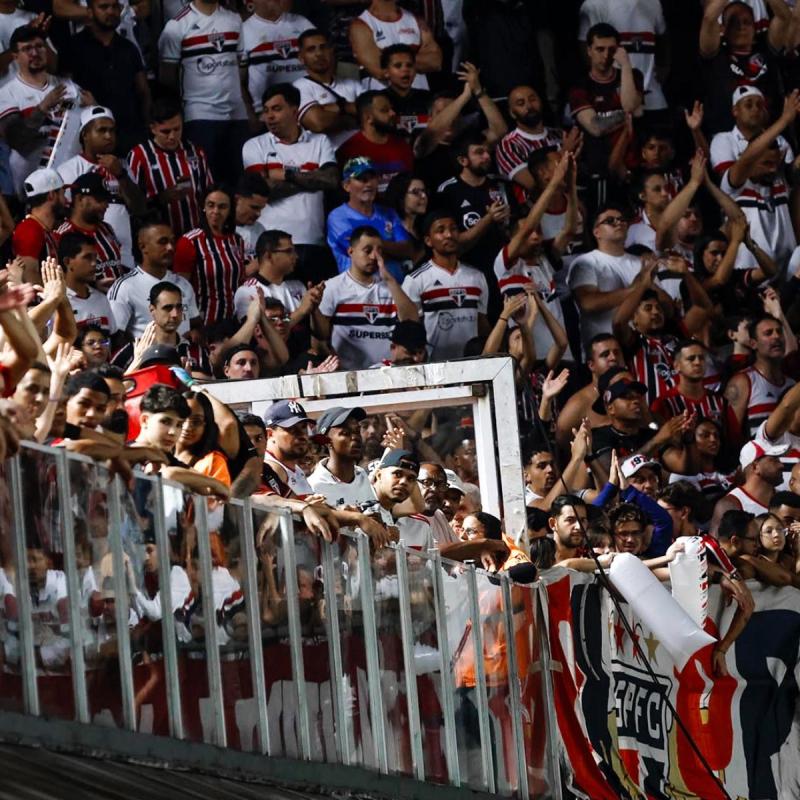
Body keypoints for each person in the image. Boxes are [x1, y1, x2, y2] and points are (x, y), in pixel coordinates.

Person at [242, 83, 338, 282]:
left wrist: (287, 175)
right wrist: (312, 178)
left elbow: (331, 180)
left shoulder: (320, 141)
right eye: (266, 110)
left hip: (313, 243)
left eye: (276, 109)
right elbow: (265, 189)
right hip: (273, 248)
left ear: (295, 111)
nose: (269, 116)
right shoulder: (254, 146)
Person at [157, 0, 252, 185]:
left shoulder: (234, 20)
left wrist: (246, 107)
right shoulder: (176, 25)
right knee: (206, 181)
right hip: (200, 114)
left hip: (236, 115)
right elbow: (167, 76)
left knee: (240, 181)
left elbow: (240, 68)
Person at [493, 149, 575, 360]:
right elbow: (527, 226)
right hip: (528, 358)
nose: (536, 235)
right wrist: (555, 182)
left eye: (539, 230)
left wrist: (571, 187)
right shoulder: (505, 265)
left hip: (561, 355)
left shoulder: (545, 260)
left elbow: (569, 230)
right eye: (530, 233)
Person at [0, 25, 89, 194]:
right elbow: (15, 139)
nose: (35, 53)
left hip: (72, 179)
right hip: (33, 187)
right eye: (27, 49)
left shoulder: (69, 86)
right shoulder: (7, 93)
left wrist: (94, 106)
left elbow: (90, 127)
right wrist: (42, 109)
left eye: (40, 46)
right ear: (15, 56)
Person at [719, 91, 800, 274]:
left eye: (774, 163)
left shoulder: (780, 180)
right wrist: (784, 121)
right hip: (749, 275)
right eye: (766, 163)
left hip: (786, 275)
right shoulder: (734, 184)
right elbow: (748, 158)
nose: (772, 169)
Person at [57, 105, 145, 270]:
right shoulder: (68, 169)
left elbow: (139, 208)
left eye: (112, 131)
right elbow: (64, 216)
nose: (108, 136)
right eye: (102, 130)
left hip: (123, 256)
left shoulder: (122, 166)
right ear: (85, 135)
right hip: (87, 257)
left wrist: (120, 174)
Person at [318, 225, 417, 369]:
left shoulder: (391, 287)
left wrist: (389, 279)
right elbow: (319, 339)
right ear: (351, 251)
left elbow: (412, 322)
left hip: (386, 377)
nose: (374, 256)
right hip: (347, 376)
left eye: (379, 251)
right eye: (368, 250)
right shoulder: (332, 288)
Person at [60, 0, 150, 153]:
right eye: (104, 7)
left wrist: (147, 127)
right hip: (91, 138)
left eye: (115, 7)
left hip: (130, 136)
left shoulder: (128, 48)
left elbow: (143, 91)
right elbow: (65, 93)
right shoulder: (72, 47)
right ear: (89, 11)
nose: (111, 11)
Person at [436, 132, 514, 308]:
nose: (487, 156)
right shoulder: (447, 191)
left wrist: (505, 225)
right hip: (467, 274)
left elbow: (514, 232)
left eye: (487, 151)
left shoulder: (501, 186)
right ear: (463, 161)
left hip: (503, 271)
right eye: (479, 152)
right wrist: (489, 219)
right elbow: (455, 244)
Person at [401, 210, 489, 362]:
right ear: (428, 241)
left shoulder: (477, 277)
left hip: (473, 366)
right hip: (435, 367)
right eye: (441, 230)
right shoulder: (415, 280)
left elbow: (482, 323)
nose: (449, 235)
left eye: (453, 229)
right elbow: (412, 330)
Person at [567, 23, 643, 185]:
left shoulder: (632, 76)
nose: (606, 55)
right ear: (589, 50)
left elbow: (629, 105)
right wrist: (628, 115)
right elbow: (596, 127)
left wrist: (626, 65)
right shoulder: (579, 86)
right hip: (596, 167)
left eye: (612, 50)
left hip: (630, 164)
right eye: (600, 49)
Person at [127, 96, 214, 236]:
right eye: (166, 131)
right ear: (153, 128)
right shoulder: (139, 156)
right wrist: (161, 198)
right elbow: (133, 205)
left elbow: (208, 191)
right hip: (157, 237)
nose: (173, 136)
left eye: (177, 129)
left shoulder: (195, 151)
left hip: (195, 234)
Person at [699, 0, 786, 135]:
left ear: (754, 27)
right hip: (728, 136)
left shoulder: (766, 49)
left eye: (747, 22)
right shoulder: (716, 56)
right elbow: (709, 18)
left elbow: (783, 17)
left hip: (770, 134)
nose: (741, 27)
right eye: (734, 22)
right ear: (723, 29)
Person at [568, 203, 643, 352]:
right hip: (603, 352)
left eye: (622, 220)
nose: (619, 223)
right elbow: (589, 303)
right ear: (596, 232)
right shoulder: (585, 263)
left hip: (642, 349)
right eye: (610, 221)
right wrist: (639, 287)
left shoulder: (640, 262)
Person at [108, 221, 200, 341]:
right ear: (143, 247)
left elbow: (195, 324)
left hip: (183, 356)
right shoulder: (125, 287)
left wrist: (196, 333)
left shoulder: (183, 284)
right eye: (163, 242)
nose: (170, 248)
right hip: (145, 357)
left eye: (172, 242)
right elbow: (116, 336)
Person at [327, 157, 414, 282]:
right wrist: (392, 249)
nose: (368, 184)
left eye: (372, 178)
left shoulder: (389, 213)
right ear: (346, 185)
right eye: (361, 179)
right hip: (358, 291)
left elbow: (408, 249)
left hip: (395, 289)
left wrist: (375, 245)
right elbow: (361, 254)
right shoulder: (338, 217)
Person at [577, 0, 668, 115]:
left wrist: (664, 67)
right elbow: (587, 51)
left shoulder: (654, 3)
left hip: (653, 101)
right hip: (614, 103)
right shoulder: (594, 5)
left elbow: (663, 39)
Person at [173, 184, 245, 325]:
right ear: (203, 207)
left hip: (234, 320)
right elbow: (180, 289)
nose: (216, 211)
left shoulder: (236, 240)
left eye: (222, 207)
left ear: (230, 210)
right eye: (211, 205)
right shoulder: (190, 241)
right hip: (204, 321)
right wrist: (189, 323)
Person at [651, 340, 741, 444]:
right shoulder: (664, 403)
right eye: (691, 359)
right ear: (676, 366)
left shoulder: (720, 401)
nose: (698, 362)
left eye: (701, 358)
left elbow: (734, 440)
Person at [724, 314, 796, 439]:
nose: (776, 336)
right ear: (753, 344)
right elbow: (731, 437)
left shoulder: (792, 384)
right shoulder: (742, 382)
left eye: (779, 332)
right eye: (768, 333)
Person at [55, 171, 126, 291]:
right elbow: (61, 278)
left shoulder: (107, 228)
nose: (106, 205)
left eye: (107, 200)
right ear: (80, 199)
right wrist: (93, 286)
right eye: (100, 200)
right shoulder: (61, 235)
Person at [350, 0, 441, 90]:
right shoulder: (361, 25)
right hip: (382, 99)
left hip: (420, 97)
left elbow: (435, 62)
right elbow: (379, 70)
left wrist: (393, 62)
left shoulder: (416, 20)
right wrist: (416, 61)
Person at [556, 333, 624, 453]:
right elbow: (562, 443)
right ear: (591, 365)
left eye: (617, 353)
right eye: (605, 354)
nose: (613, 358)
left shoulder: (632, 391)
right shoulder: (578, 404)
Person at [336, 90, 414, 194]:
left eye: (391, 109)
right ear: (368, 118)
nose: (392, 113)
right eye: (384, 110)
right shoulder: (348, 150)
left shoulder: (402, 145)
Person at [294, 28, 360, 149]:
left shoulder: (353, 84)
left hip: (361, 154)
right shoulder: (299, 87)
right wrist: (347, 111)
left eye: (323, 47)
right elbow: (318, 123)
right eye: (311, 49)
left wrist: (327, 109)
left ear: (331, 51)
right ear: (301, 58)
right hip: (328, 158)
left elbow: (372, 114)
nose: (319, 53)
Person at [242, 0, 312, 114]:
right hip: (267, 111)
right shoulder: (243, 32)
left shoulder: (302, 23)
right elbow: (238, 81)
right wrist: (251, 114)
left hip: (307, 104)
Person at [495, 84, 564, 197]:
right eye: (521, 103)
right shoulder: (508, 145)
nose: (529, 106)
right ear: (512, 113)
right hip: (537, 208)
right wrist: (566, 151)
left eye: (532, 99)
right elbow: (535, 186)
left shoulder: (559, 134)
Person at [711, 439, 788, 529]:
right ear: (756, 467)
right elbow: (715, 542)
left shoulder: (784, 499)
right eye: (774, 460)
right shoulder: (731, 504)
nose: (781, 465)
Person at [308, 405, 375, 507]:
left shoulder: (361, 474)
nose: (355, 437)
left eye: (357, 431)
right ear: (326, 441)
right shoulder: (314, 486)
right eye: (345, 433)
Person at [13, 168, 64, 282]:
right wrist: (54, 297)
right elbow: (28, 276)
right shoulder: (29, 229)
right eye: (62, 193)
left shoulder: (42, 228)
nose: (65, 200)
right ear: (51, 195)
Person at [60, 231, 117, 333]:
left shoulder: (102, 300)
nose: (94, 263)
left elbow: (114, 338)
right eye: (87, 257)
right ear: (67, 262)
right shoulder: (56, 304)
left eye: (95, 257)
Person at [381, 44, 431, 138]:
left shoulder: (429, 98)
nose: (405, 70)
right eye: (398, 66)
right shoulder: (378, 100)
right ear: (386, 72)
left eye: (409, 65)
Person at [234, 173, 269, 268]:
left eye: (261, 209)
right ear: (237, 200)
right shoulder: (217, 229)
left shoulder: (260, 230)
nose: (259, 214)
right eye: (254, 207)